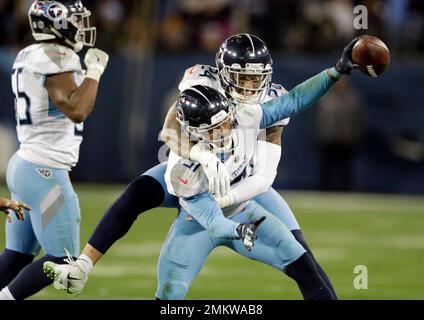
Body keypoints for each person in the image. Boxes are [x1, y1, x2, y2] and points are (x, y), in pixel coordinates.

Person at [43, 33, 358, 298]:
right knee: (140, 193)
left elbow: (268, 166)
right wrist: (202, 157)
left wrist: (336, 71)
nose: (248, 85)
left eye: (255, 78)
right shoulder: (199, 85)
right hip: (194, 181)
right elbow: (170, 132)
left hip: (244, 182)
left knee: (301, 255)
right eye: (241, 77)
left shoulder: (261, 109)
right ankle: (83, 265)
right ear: (222, 73)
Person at [156, 85, 334, 300]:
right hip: (196, 224)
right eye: (213, 129)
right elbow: (214, 223)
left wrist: (335, 72)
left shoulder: (244, 118)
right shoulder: (182, 171)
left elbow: (295, 101)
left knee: (303, 263)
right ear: (193, 133)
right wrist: (241, 230)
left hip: (243, 208)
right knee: (170, 293)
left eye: (225, 123)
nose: (224, 132)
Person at [0, 0, 109, 300]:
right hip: (43, 172)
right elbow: (76, 109)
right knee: (63, 261)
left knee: (17, 256)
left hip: (25, 165)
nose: (81, 27)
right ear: (57, 25)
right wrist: (95, 71)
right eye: (75, 20)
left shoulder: (27, 53)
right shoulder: (57, 56)